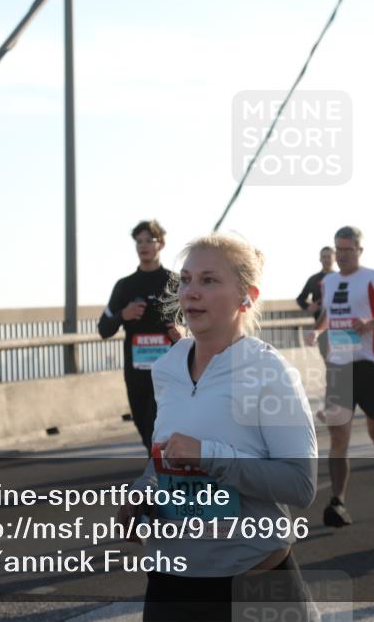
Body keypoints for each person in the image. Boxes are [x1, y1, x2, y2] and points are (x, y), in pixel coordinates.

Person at [119, 233, 319, 621]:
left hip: (253, 585)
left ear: (247, 296)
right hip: (170, 583)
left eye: (209, 281)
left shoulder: (268, 372)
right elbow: (165, 458)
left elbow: (300, 484)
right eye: (187, 279)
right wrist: (141, 494)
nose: (191, 292)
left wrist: (210, 456)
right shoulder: (167, 369)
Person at [304, 226, 374, 527]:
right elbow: (328, 313)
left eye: (348, 250)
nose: (341, 256)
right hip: (340, 366)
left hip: (372, 364)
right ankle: (337, 502)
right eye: (338, 250)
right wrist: (318, 330)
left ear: (360, 251)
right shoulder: (328, 282)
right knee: (339, 436)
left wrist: (372, 323)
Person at [98, 220, 182, 452]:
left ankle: (159, 475)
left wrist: (182, 332)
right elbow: (104, 328)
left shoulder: (175, 283)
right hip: (137, 371)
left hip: (170, 370)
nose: (143, 246)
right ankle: (156, 467)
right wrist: (123, 315)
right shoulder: (125, 286)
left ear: (161, 244)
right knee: (143, 426)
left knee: (158, 424)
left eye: (149, 241)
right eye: (139, 241)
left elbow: (195, 321)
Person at [296, 246, 335, 359]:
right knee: (327, 360)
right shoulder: (314, 279)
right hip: (320, 326)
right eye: (324, 257)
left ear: (334, 258)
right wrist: (309, 306)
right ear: (320, 259)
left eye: (329, 257)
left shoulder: (340, 278)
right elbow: (300, 298)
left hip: (339, 326)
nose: (326, 259)